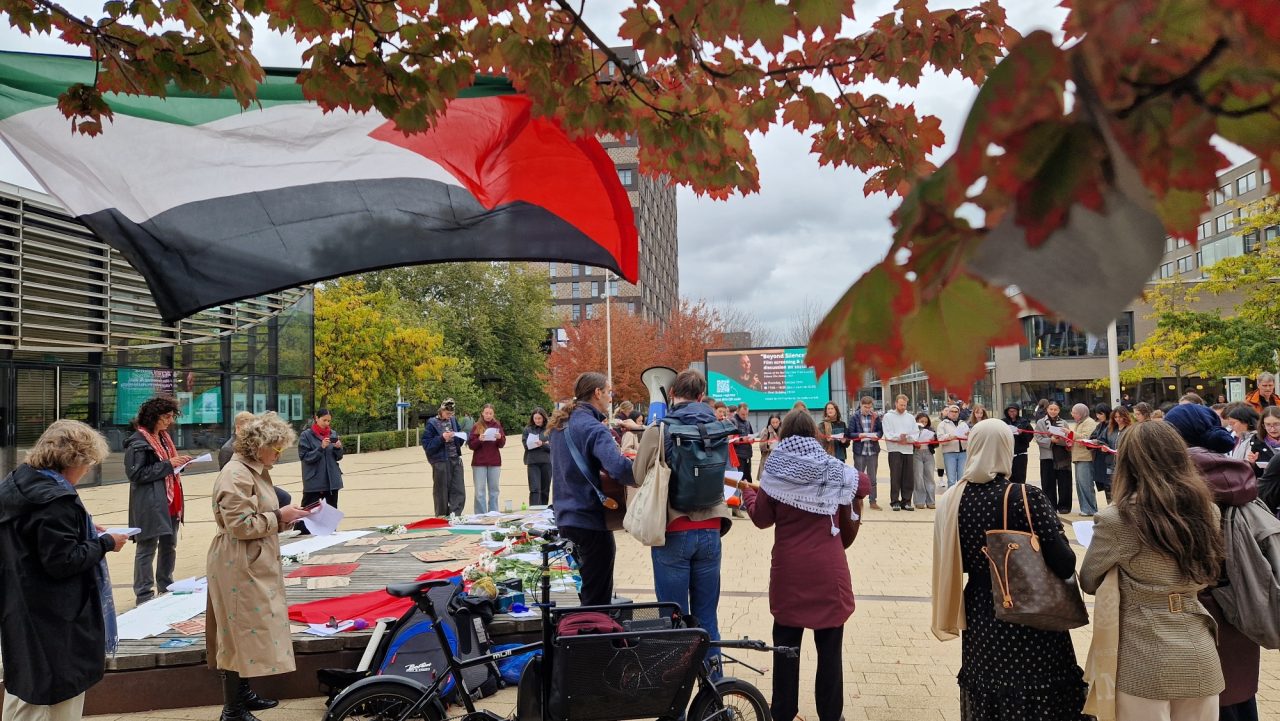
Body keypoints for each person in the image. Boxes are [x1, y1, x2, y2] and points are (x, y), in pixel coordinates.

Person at [931, 418, 1087, 720]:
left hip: (980, 607)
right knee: (1035, 687)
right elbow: (1064, 561)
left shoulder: (953, 499)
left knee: (990, 685)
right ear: (1006, 449)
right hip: (1028, 608)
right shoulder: (1024, 496)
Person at [1079, 420, 1226, 721]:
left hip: (1141, 648)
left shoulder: (1116, 518)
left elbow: (1089, 579)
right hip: (1199, 642)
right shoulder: (1209, 510)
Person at [742, 409, 866, 721]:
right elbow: (862, 485)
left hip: (789, 573)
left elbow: (761, 520)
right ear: (813, 433)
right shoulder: (830, 466)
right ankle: (830, 714)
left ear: (782, 433)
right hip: (828, 571)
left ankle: (783, 712)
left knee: (785, 649)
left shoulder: (774, 468)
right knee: (830, 652)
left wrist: (747, 495)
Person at [0, 420, 127, 721]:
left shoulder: (18, 481)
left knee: (24, 691)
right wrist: (106, 542)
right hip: (56, 615)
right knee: (58, 697)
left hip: (20, 604)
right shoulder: (56, 499)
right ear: (74, 461)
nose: (86, 474)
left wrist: (79, 528)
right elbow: (63, 562)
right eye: (88, 466)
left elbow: (34, 536)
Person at [207, 412, 312, 721]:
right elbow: (239, 525)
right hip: (238, 561)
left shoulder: (252, 469)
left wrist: (286, 518)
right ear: (258, 445)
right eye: (275, 449)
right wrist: (281, 517)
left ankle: (243, 694)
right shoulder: (236, 474)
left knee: (247, 630)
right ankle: (233, 709)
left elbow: (257, 516)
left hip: (249, 558)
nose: (279, 456)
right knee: (235, 632)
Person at [1165, 403, 1262, 721]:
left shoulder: (1175, 487)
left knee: (1207, 701)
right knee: (1240, 696)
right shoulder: (1240, 477)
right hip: (1243, 598)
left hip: (1193, 606)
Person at [637, 370, 731, 672]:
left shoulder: (660, 428)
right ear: (702, 396)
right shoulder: (718, 426)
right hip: (711, 531)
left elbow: (638, 475)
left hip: (674, 530)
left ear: (673, 393)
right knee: (707, 617)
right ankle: (715, 694)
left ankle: (675, 703)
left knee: (673, 620)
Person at [548, 372, 635, 605]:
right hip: (591, 520)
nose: (610, 397)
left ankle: (582, 633)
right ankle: (593, 638)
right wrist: (641, 468)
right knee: (597, 598)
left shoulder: (560, 425)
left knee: (582, 592)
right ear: (597, 393)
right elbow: (619, 469)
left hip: (565, 517)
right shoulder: (594, 428)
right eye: (608, 391)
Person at [127, 396, 193, 605]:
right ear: (153, 416)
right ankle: (144, 594)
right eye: (166, 417)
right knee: (147, 547)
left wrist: (179, 463)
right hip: (151, 503)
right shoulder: (138, 441)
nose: (169, 421)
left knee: (169, 545)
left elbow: (167, 465)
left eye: (172, 417)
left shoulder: (164, 438)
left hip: (170, 499)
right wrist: (168, 465)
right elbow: (136, 474)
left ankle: (166, 585)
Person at [221, 411, 292, 509]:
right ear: (259, 444)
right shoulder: (233, 464)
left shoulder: (257, 461)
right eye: (277, 449)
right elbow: (240, 522)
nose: (278, 454)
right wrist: (279, 516)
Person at [421, 399, 466, 517]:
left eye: (451, 414)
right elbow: (427, 445)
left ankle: (455, 515)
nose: (449, 416)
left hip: (455, 459)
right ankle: (441, 516)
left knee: (458, 489)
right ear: (441, 411)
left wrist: (461, 437)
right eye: (447, 414)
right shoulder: (432, 423)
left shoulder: (453, 421)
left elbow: (459, 439)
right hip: (440, 461)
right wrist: (442, 438)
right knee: (441, 491)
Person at [297, 408, 343, 509]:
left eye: (329, 421)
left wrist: (338, 448)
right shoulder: (306, 435)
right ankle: (300, 526)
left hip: (332, 481)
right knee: (307, 513)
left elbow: (339, 457)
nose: (327, 423)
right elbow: (305, 457)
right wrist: (321, 448)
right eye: (324, 420)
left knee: (330, 513)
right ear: (316, 418)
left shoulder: (333, 434)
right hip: (314, 481)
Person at [1034, 402, 1073, 514]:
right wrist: (1050, 440)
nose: (1053, 411)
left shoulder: (1064, 423)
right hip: (1047, 456)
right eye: (1051, 409)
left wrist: (1060, 440)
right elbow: (1038, 437)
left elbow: (1068, 438)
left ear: (1059, 410)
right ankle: (1049, 505)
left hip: (1062, 457)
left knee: (1064, 483)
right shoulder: (1040, 422)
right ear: (1047, 409)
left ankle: (1064, 506)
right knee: (1048, 482)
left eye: (1055, 409)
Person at [467, 403, 506, 514]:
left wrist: (499, 438)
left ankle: (493, 513)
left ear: (493, 414)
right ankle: (481, 515)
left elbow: (502, 444)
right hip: (479, 463)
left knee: (494, 490)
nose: (488, 415)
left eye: (490, 413)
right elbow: (471, 445)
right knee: (480, 491)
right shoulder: (477, 426)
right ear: (482, 413)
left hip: (494, 462)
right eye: (486, 413)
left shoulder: (497, 425)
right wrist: (479, 439)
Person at [882, 394, 917, 511]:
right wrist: (899, 437)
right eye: (901, 405)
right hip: (894, 449)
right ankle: (895, 501)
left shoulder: (910, 417)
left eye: (905, 405)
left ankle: (906, 501)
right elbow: (887, 433)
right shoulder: (888, 417)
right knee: (896, 476)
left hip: (908, 450)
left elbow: (915, 433)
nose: (903, 407)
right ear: (896, 403)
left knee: (908, 477)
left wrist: (907, 439)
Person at [850, 396, 883, 510]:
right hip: (860, 451)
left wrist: (877, 436)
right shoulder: (854, 417)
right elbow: (850, 433)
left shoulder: (875, 416)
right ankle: (857, 502)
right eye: (865, 407)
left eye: (869, 407)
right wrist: (859, 435)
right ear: (861, 405)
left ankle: (873, 501)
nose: (867, 409)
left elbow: (880, 431)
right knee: (858, 477)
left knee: (872, 478)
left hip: (873, 450)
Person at [1069, 403, 1099, 517]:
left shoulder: (1089, 422)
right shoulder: (1079, 423)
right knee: (1080, 484)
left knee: (1086, 483)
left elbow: (1087, 438)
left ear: (1082, 413)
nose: (1073, 415)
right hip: (1078, 457)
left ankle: (1090, 509)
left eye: (1075, 413)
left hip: (1085, 457)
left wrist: (1071, 434)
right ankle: (1085, 508)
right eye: (1072, 412)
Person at [523, 408, 552, 506]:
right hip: (533, 462)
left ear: (544, 418)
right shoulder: (528, 429)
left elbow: (553, 446)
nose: (537, 420)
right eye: (535, 418)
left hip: (546, 462)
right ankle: (534, 511)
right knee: (534, 489)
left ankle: (543, 511)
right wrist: (540, 444)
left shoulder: (549, 429)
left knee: (545, 489)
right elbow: (526, 445)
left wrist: (542, 444)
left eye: (539, 418)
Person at [1088, 404, 1114, 504]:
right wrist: (1092, 442)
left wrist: (1098, 442)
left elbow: (1110, 441)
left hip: (1109, 459)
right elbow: (1092, 437)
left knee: (1110, 486)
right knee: (1106, 486)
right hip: (1100, 459)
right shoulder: (1100, 425)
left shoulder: (1111, 425)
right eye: (1097, 414)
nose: (1098, 416)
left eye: (1101, 414)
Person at [937, 405, 968, 488]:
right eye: (952, 411)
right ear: (948, 413)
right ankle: (951, 499)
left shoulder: (963, 423)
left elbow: (968, 436)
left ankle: (961, 499)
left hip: (963, 453)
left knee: (962, 479)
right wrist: (950, 436)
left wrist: (968, 435)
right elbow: (940, 439)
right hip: (949, 453)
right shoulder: (942, 424)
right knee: (951, 480)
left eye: (956, 412)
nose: (954, 413)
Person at [1002, 404, 1032, 483]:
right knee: (1006, 478)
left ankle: (1019, 494)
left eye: (1014, 411)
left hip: (1020, 454)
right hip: (1006, 454)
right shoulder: (1003, 422)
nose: (1012, 413)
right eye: (1010, 411)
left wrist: (1022, 434)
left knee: (1020, 478)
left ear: (1018, 412)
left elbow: (1029, 438)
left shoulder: (1024, 423)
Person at [912, 413, 937, 509]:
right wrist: (914, 443)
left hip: (928, 453)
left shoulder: (931, 429)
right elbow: (909, 440)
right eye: (922, 421)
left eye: (926, 421)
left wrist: (933, 440)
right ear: (917, 420)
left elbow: (936, 443)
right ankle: (919, 501)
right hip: (917, 453)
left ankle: (931, 501)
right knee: (918, 477)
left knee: (930, 477)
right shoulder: (913, 429)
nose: (924, 423)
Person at [731, 403, 756, 482]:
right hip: (738, 456)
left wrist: (752, 439)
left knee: (748, 479)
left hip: (747, 455)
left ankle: (749, 494)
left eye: (746, 414)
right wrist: (742, 440)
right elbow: (732, 440)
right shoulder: (733, 421)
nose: (745, 416)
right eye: (742, 414)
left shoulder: (747, 422)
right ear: (737, 411)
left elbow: (752, 435)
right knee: (739, 480)